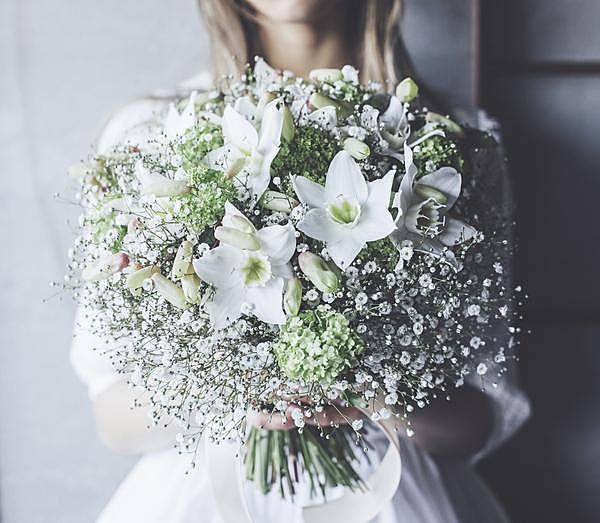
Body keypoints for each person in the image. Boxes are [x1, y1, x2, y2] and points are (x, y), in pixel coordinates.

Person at [71, 1, 530, 521]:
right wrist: (237, 384)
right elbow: (112, 416)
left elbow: (482, 415)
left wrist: (371, 387)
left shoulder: (451, 139)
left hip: (393, 489)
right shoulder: (149, 134)